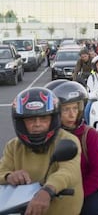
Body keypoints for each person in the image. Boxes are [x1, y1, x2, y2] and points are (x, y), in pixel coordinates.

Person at [0, 87, 83, 215]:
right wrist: (9, 176)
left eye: (44, 118)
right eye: (30, 119)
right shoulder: (13, 146)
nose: (37, 124)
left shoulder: (68, 140)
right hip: (20, 209)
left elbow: (68, 172)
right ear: (21, 122)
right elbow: (2, 170)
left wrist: (48, 190)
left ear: (53, 119)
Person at [48, 81, 98, 215]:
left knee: (92, 210)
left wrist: (78, 194)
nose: (72, 115)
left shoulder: (89, 135)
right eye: (65, 109)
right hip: (52, 191)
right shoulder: (49, 137)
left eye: (75, 108)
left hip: (86, 190)